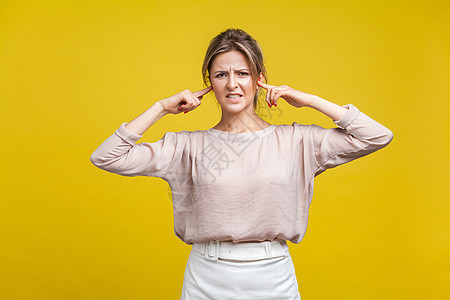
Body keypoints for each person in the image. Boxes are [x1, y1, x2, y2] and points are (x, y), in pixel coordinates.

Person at [90, 28, 393, 300]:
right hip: (206, 278)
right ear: (209, 81)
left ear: (260, 78)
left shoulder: (298, 142)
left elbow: (377, 136)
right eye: (221, 75)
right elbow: (107, 156)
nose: (232, 84)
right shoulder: (186, 146)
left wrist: (310, 100)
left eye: (243, 73)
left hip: (272, 277)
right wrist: (159, 108)